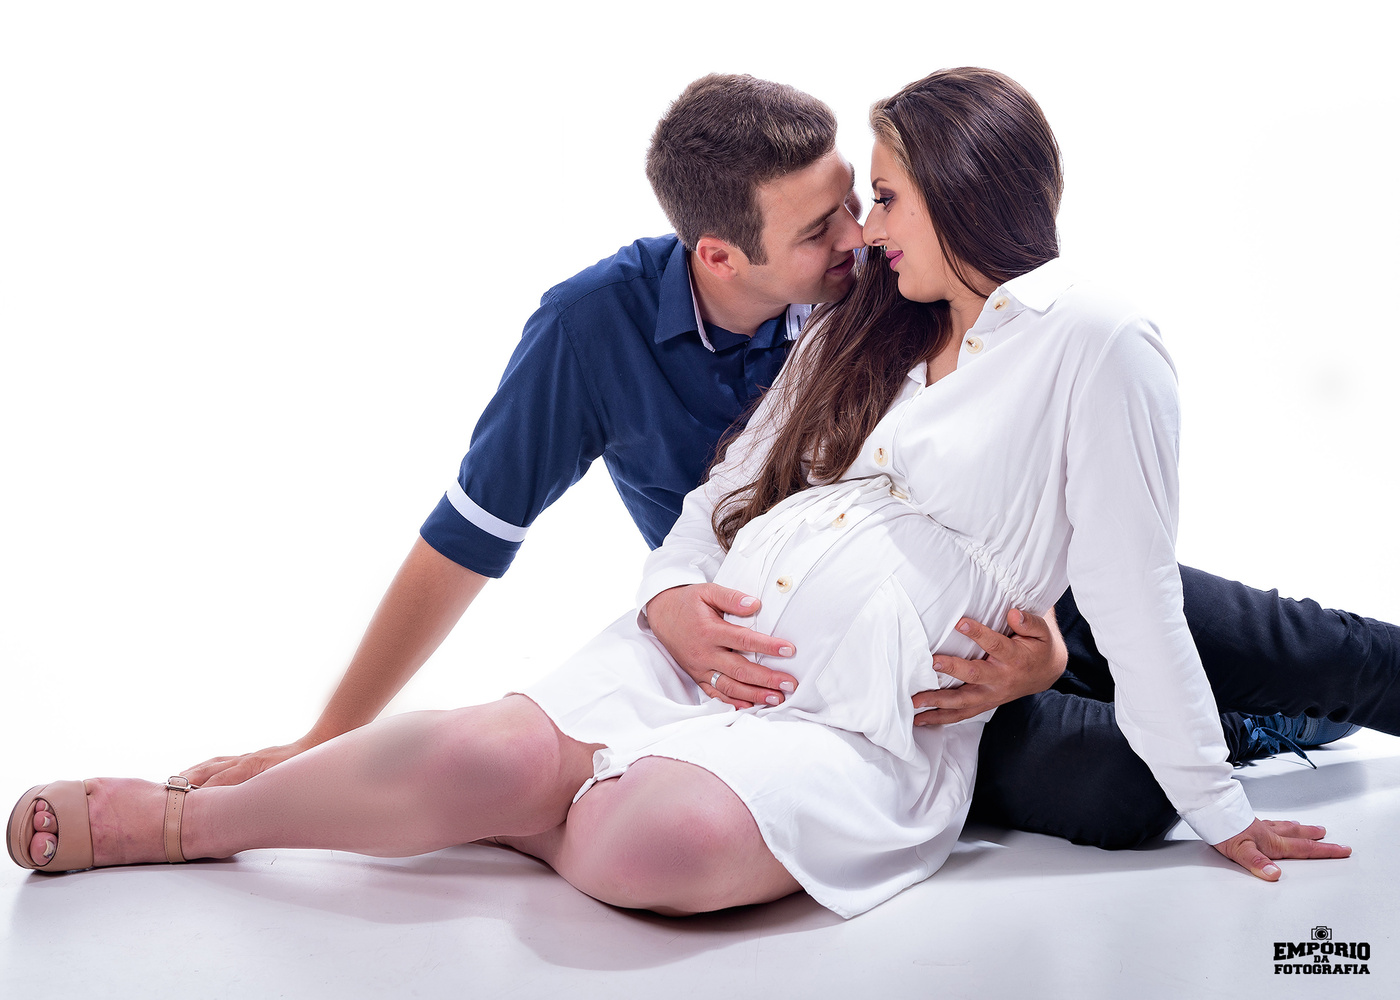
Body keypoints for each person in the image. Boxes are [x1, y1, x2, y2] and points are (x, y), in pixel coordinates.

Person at [7, 68, 1358, 918]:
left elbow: (1127, 583)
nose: (860, 238)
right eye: (837, 222)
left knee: (1198, 709)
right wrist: (663, 600)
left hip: (941, 669)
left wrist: (1202, 793)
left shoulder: (1081, 339)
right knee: (501, 761)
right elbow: (709, 498)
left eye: (875, 201)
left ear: (951, 199)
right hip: (726, 645)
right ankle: (194, 821)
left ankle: (1275, 726)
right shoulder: (803, 320)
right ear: (724, 253)